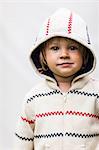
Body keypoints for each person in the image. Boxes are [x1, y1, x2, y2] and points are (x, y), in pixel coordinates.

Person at [14, 8, 99, 150]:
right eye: (55, 48)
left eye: (72, 48)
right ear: (43, 56)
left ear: (85, 55)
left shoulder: (96, 93)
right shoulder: (34, 98)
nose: (64, 54)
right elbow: (23, 139)